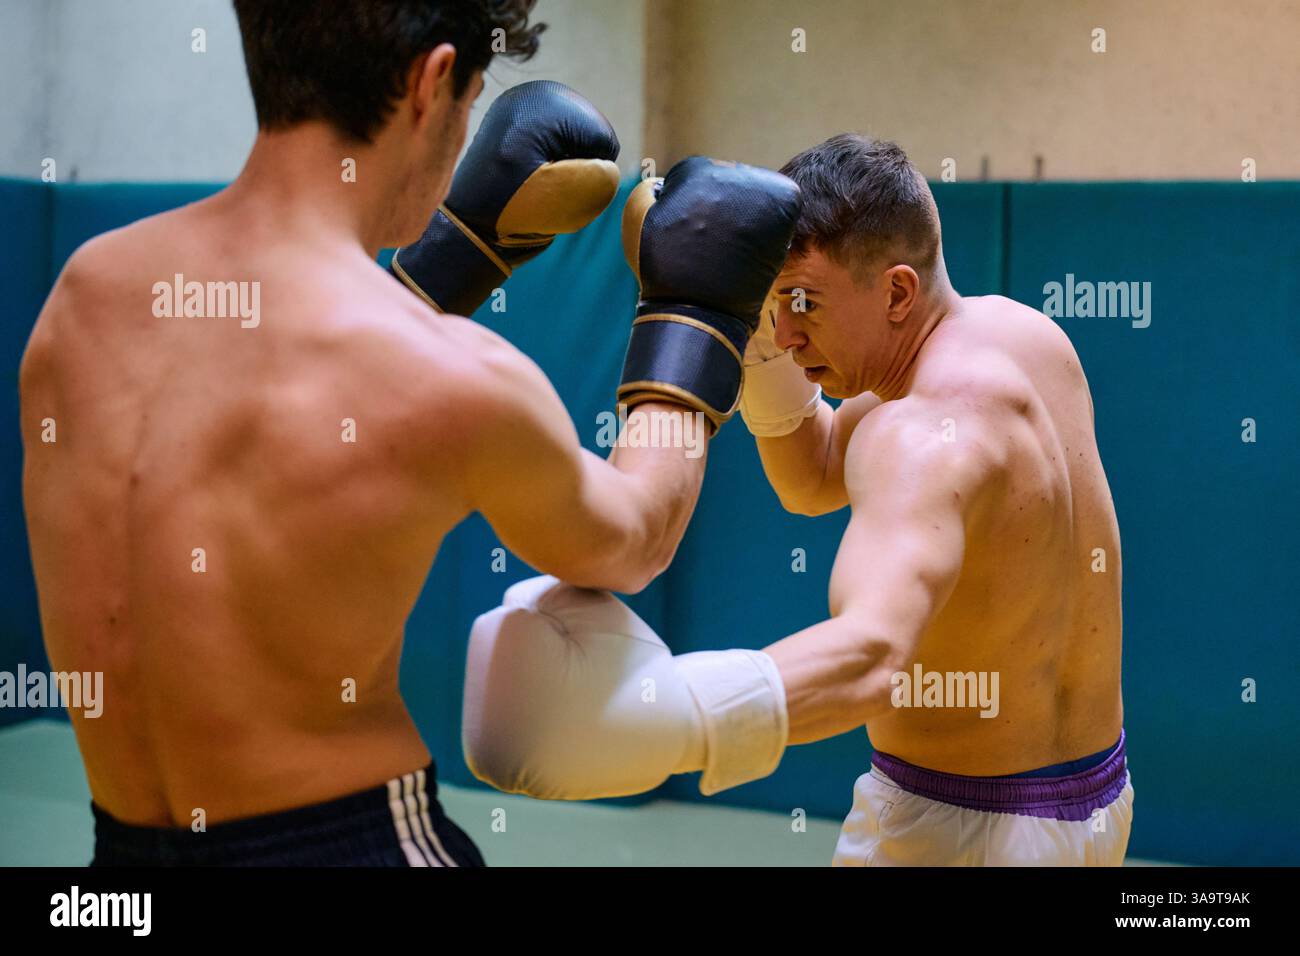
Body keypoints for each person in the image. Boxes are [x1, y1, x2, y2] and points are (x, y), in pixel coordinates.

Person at [18, 0, 799, 866]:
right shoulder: (451, 378)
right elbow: (632, 536)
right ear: (432, 85)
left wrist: (440, 268)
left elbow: (278, 388)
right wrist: (693, 315)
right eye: (468, 105)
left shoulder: (85, 300)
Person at [464, 133, 1131, 867]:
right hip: (1093, 804)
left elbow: (872, 657)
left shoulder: (918, 438)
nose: (784, 330)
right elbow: (813, 476)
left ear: (898, 291)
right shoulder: (1024, 338)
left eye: (804, 302)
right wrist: (738, 327)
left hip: (955, 835)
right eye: (774, 303)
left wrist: (662, 716)